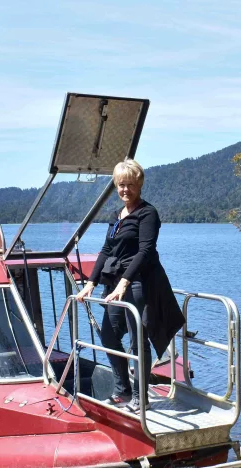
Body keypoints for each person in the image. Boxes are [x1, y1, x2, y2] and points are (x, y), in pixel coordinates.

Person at [75, 158, 185, 412]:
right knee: (109, 335)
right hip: (115, 283)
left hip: (139, 282)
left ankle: (140, 395)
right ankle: (122, 389)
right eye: (121, 185)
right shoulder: (117, 216)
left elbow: (146, 251)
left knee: (138, 341)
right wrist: (90, 283)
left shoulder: (147, 213)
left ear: (140, 184)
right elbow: (106, 250)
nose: (125, 189)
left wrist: (125, 282)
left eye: (130, 184)